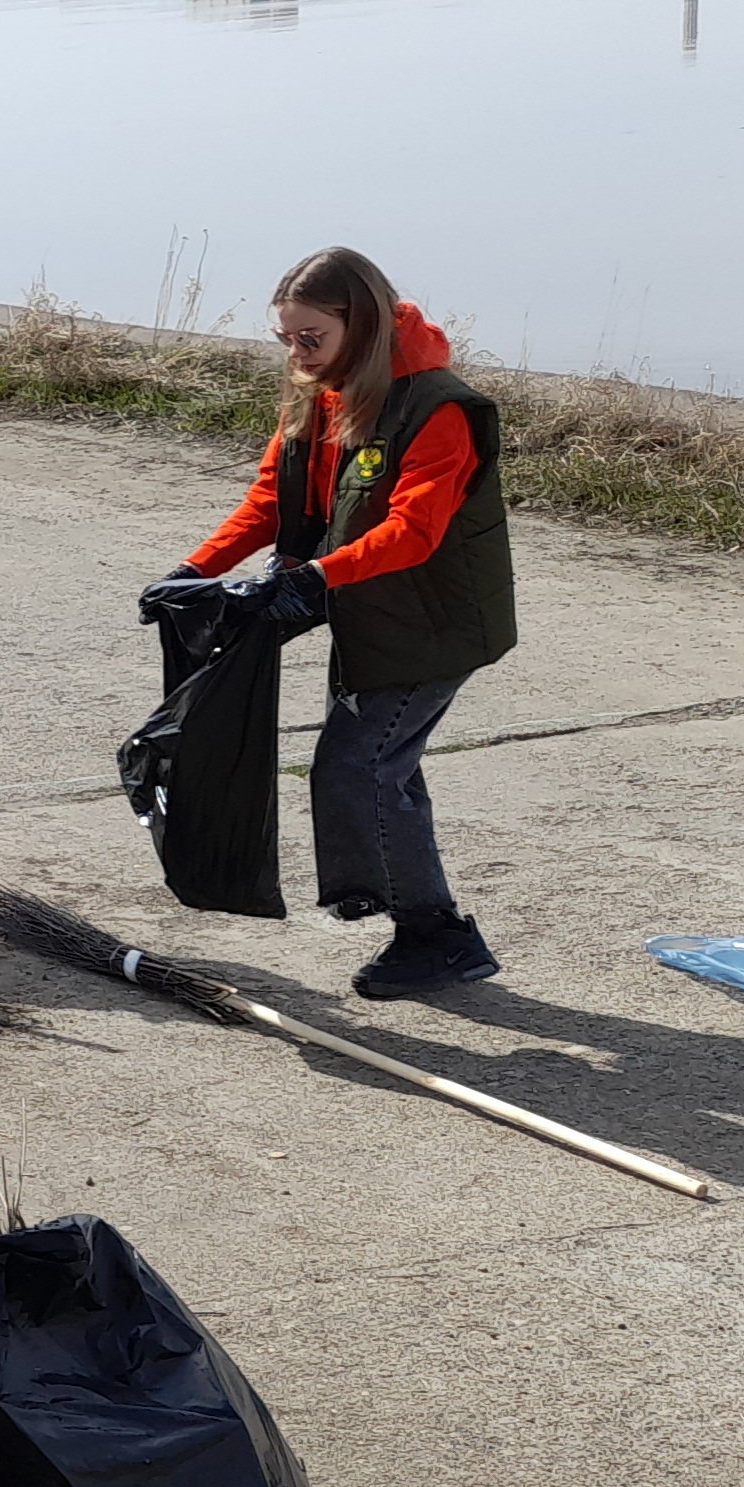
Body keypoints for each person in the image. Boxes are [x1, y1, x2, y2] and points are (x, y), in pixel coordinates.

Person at [156, 246, 515, 999]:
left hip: (432, 623)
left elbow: (414, 531)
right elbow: (270, 502)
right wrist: (192, 571)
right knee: (382, 768)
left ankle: (435, 935)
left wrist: (311, 578)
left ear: (364, 325)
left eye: (309, 338)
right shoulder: (321, 392)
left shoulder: (436, 408)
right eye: (286, 338)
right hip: (368, 612)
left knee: (358, 767)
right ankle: (435, 929)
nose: (296, 354)